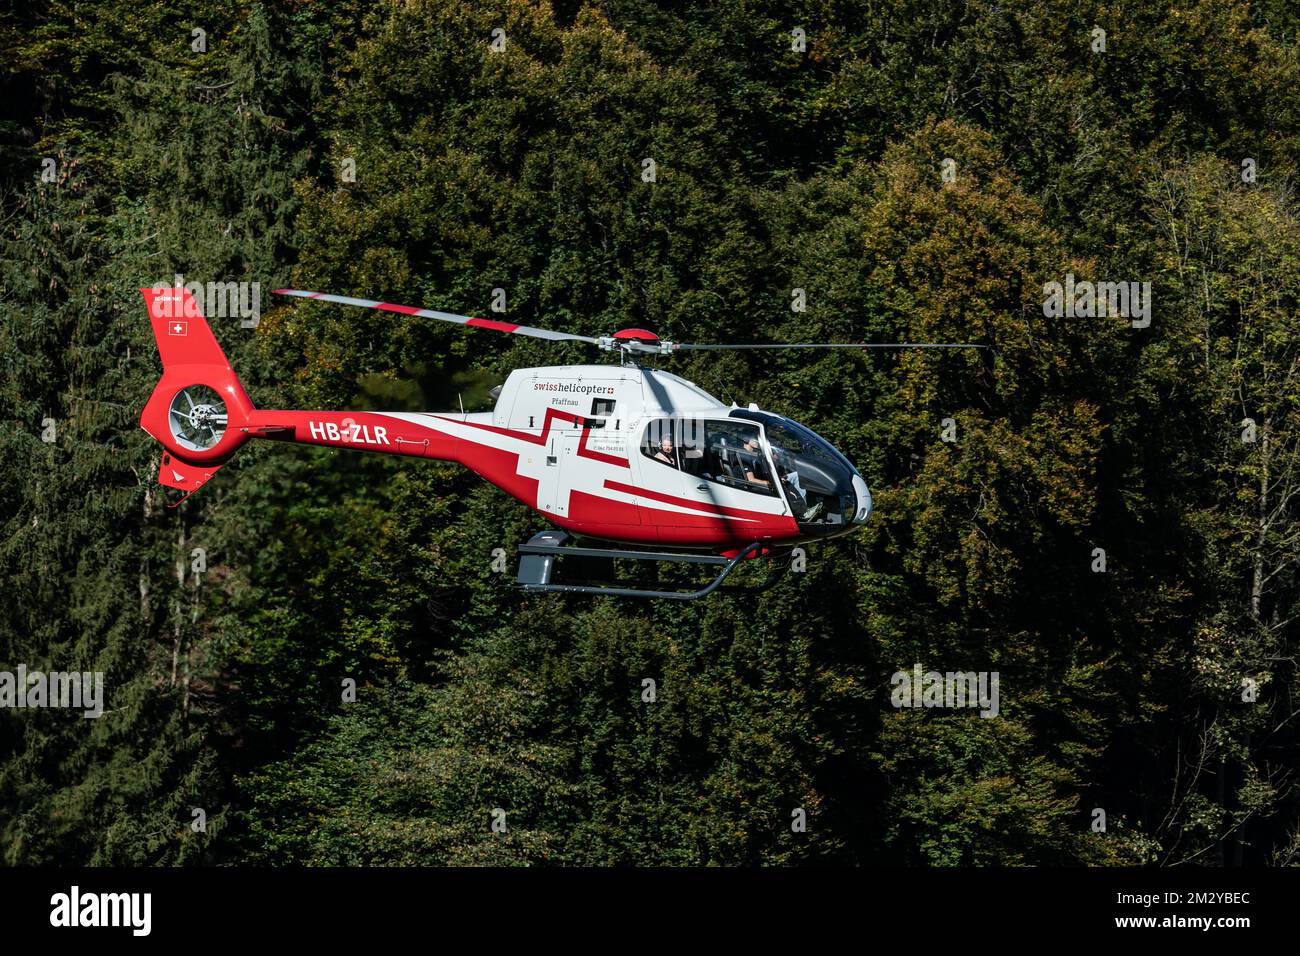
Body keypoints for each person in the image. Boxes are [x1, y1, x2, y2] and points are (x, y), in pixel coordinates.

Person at [743, 435, 823, 521]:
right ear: (746, 439)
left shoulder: (753, 455)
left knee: (796, 476)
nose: (757, 441)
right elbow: (751, 480)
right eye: (754, 439)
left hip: (767, 480)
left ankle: (804, 508)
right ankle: (801, 513)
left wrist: (778, 478)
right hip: (753, 486)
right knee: (783, 485)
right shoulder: (743, 455)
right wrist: (773, 482)